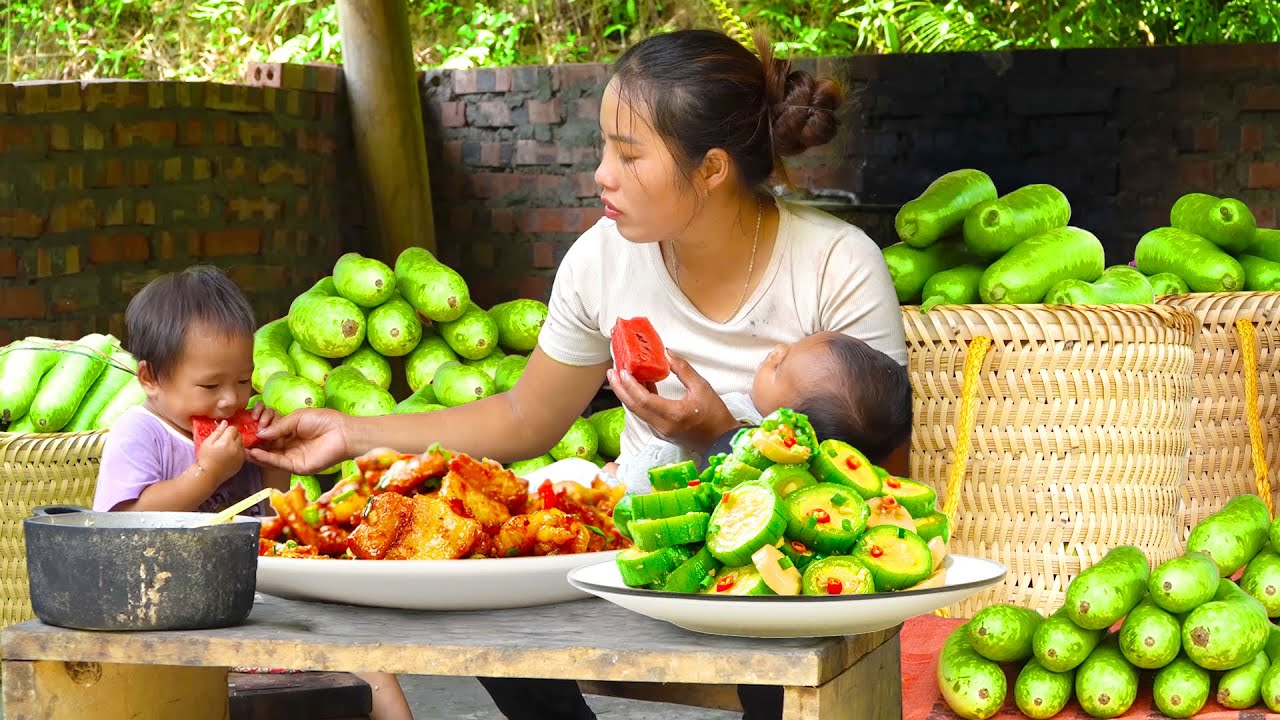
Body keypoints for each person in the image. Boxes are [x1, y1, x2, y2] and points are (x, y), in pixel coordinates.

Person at [249, 27, 907, 720]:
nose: (602, 173)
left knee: (779, 642)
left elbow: (879, 480)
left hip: (778, 585)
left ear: (711, 168)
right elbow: (524, 417)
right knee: (476, 573)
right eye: (603, 147)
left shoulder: (835, 264)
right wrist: (350, 433)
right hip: (629, 559)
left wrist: (719, 432)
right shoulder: (603, 259)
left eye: (629, 155)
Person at [92, 265, 415, 720]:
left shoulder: (233, 429)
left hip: (247, 599)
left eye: (243, 381)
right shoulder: (139, 433)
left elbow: (259, 516)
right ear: (150, 378)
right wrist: (207, 473)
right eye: (210, 386)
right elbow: (123, 523)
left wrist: (271, 463)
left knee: (367, 651)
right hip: (169, 611)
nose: (230, 400)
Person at [612, 331, 912, 493]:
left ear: (789, 430)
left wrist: (619, 482)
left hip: (632, 501)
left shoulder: (759, 453)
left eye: (780, 366)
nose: (777, 349)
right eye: (792, 345)